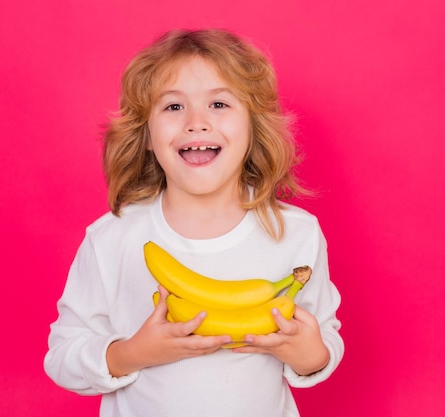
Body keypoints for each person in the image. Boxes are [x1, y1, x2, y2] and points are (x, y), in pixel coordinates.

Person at [44, 28, 344, 417]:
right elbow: (62, 356)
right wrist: (132, 354)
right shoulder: (112, 238)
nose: (196, 122)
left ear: (253, 127)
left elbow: (325, 343)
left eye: (219, 104)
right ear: (147, 135)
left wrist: (308, 353)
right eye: (173, 107)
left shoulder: (296, 234)